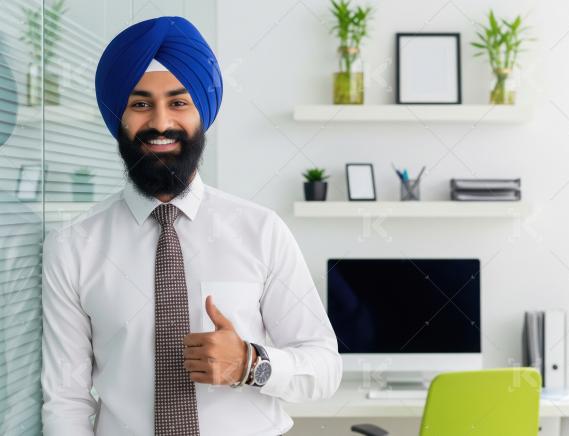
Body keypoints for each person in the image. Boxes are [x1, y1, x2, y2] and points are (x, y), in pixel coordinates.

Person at [40, 16, 342, 436]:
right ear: (119, 117)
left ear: (202, 113)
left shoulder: (261, 231)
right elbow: (66, 400)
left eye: (179, 103)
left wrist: (250, 364)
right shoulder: (73, 245)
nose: (161, 123)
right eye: (141, 103)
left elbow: (325, 367)